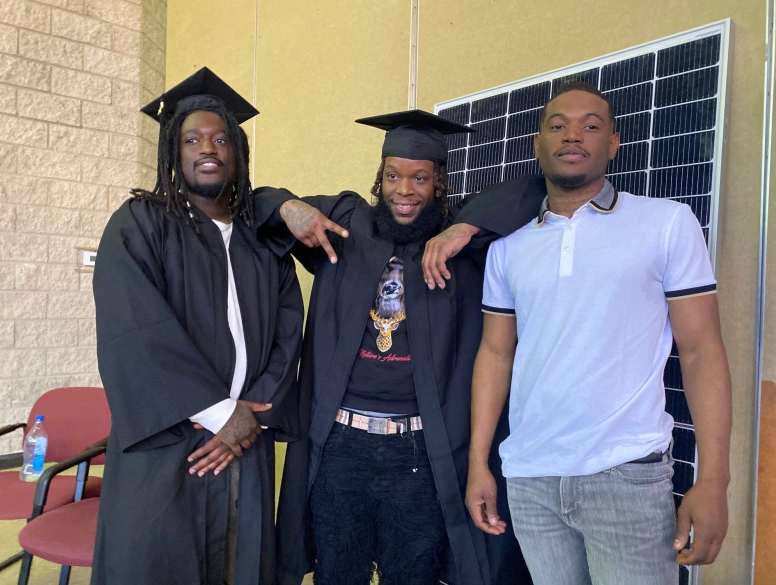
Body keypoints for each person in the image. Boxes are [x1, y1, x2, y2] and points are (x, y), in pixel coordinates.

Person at [253, 110, 545, 585]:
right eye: (392, 176)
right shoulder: (346, 223)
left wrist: (462, 229)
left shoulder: (461, 243)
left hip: (420, 451)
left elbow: (536, 190)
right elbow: (256, 201)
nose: (404, 190)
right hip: (340, 446)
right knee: (338, 572)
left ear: (440, 183)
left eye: (420, 178)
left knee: (412, 574)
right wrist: (289, 206)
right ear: (379, 177)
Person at [466, 82, 732, 585]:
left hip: (625, 477)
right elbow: (495, 354)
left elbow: (701, 352)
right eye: (558, 125)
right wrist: (481, 462)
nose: (574, 135)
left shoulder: (667, 223)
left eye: (591, 125)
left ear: (613, 144)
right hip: (530, 476)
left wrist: (714, 479)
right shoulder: (508, 247)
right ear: (537, 145)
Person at [91, 67, 303, 585]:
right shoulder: (140, 223)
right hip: (170, 443)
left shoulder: (262, 242)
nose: (208, 148)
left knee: (241, 562)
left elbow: (287, 333)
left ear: (237, 153)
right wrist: (217, 414)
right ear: (173, 152)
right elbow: (133, 329)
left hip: (246, 441)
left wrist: (249, 417)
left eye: (220, 138)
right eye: (192, 139)